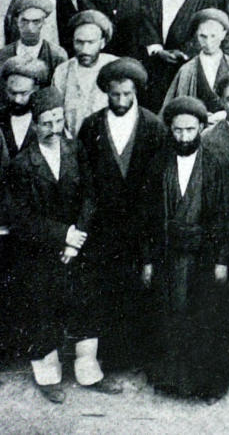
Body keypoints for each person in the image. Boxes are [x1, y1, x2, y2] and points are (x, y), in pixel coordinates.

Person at [6, 88, 119, 404]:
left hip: (77, 249)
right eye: (45, 123)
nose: (53, 128)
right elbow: (21, 216)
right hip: (41, 251)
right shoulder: (22, 164)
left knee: (85, 303)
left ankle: (88, 371)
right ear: (34, 124)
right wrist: (62, 235)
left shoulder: (76, 150)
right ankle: (48, 376)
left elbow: (90, 196)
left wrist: (77, 237)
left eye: (57, 120)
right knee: (44, 309)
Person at [76, 58, 166, 375]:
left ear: (136, 92)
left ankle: (137, 357)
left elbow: (158, 185)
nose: (122, 102)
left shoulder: (154, 127)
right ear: (106, 93)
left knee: (140, 287)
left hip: (141, 226)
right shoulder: (90, 127)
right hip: (103, 227)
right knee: (104, 289)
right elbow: (84, 180)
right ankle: (107, 358)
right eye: (115, 95)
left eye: (128, 94)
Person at [146, 96, 229, 399]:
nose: (183, 137)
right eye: (178, 130)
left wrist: (221, 259)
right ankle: (170, 380)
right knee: (169, 315)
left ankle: (204, 385)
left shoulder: (214, 163)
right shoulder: (158, 163)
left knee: (203, 318)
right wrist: (148, 259)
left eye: (190, 130)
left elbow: (224, 215)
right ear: (170, 129)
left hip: (202, 255)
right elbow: (148, 215)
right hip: (169, 254)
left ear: (200, 128)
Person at [52, 10, 116, 138]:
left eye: (91, 42)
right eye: (79, 42)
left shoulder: (115, 68)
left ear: (102, 43)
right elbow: (55, 112)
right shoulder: (62, 71)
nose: (84, 50)